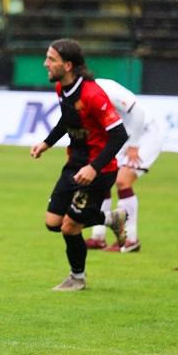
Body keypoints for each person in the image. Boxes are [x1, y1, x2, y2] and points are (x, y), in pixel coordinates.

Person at [29, 39, 129, 292]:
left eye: (52, 60)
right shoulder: (62, 88)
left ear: (68, 65)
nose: (46, 64)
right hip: (75, 164)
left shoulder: (92, 94)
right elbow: (67, 119)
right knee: (53, 222)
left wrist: (94, 167)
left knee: (70, 227)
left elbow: (119, 135)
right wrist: (47, 143)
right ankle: (110, 219)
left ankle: (77, 278)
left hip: (99, 170)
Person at [85, 78, 165, 253]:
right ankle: (98, 237)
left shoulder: (105, 88)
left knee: (123, 181)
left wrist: (134, 145)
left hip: (144, 134)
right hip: (120, 136)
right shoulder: (76, 94)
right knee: (102, 178)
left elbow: (137, 113)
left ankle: (130, 240)